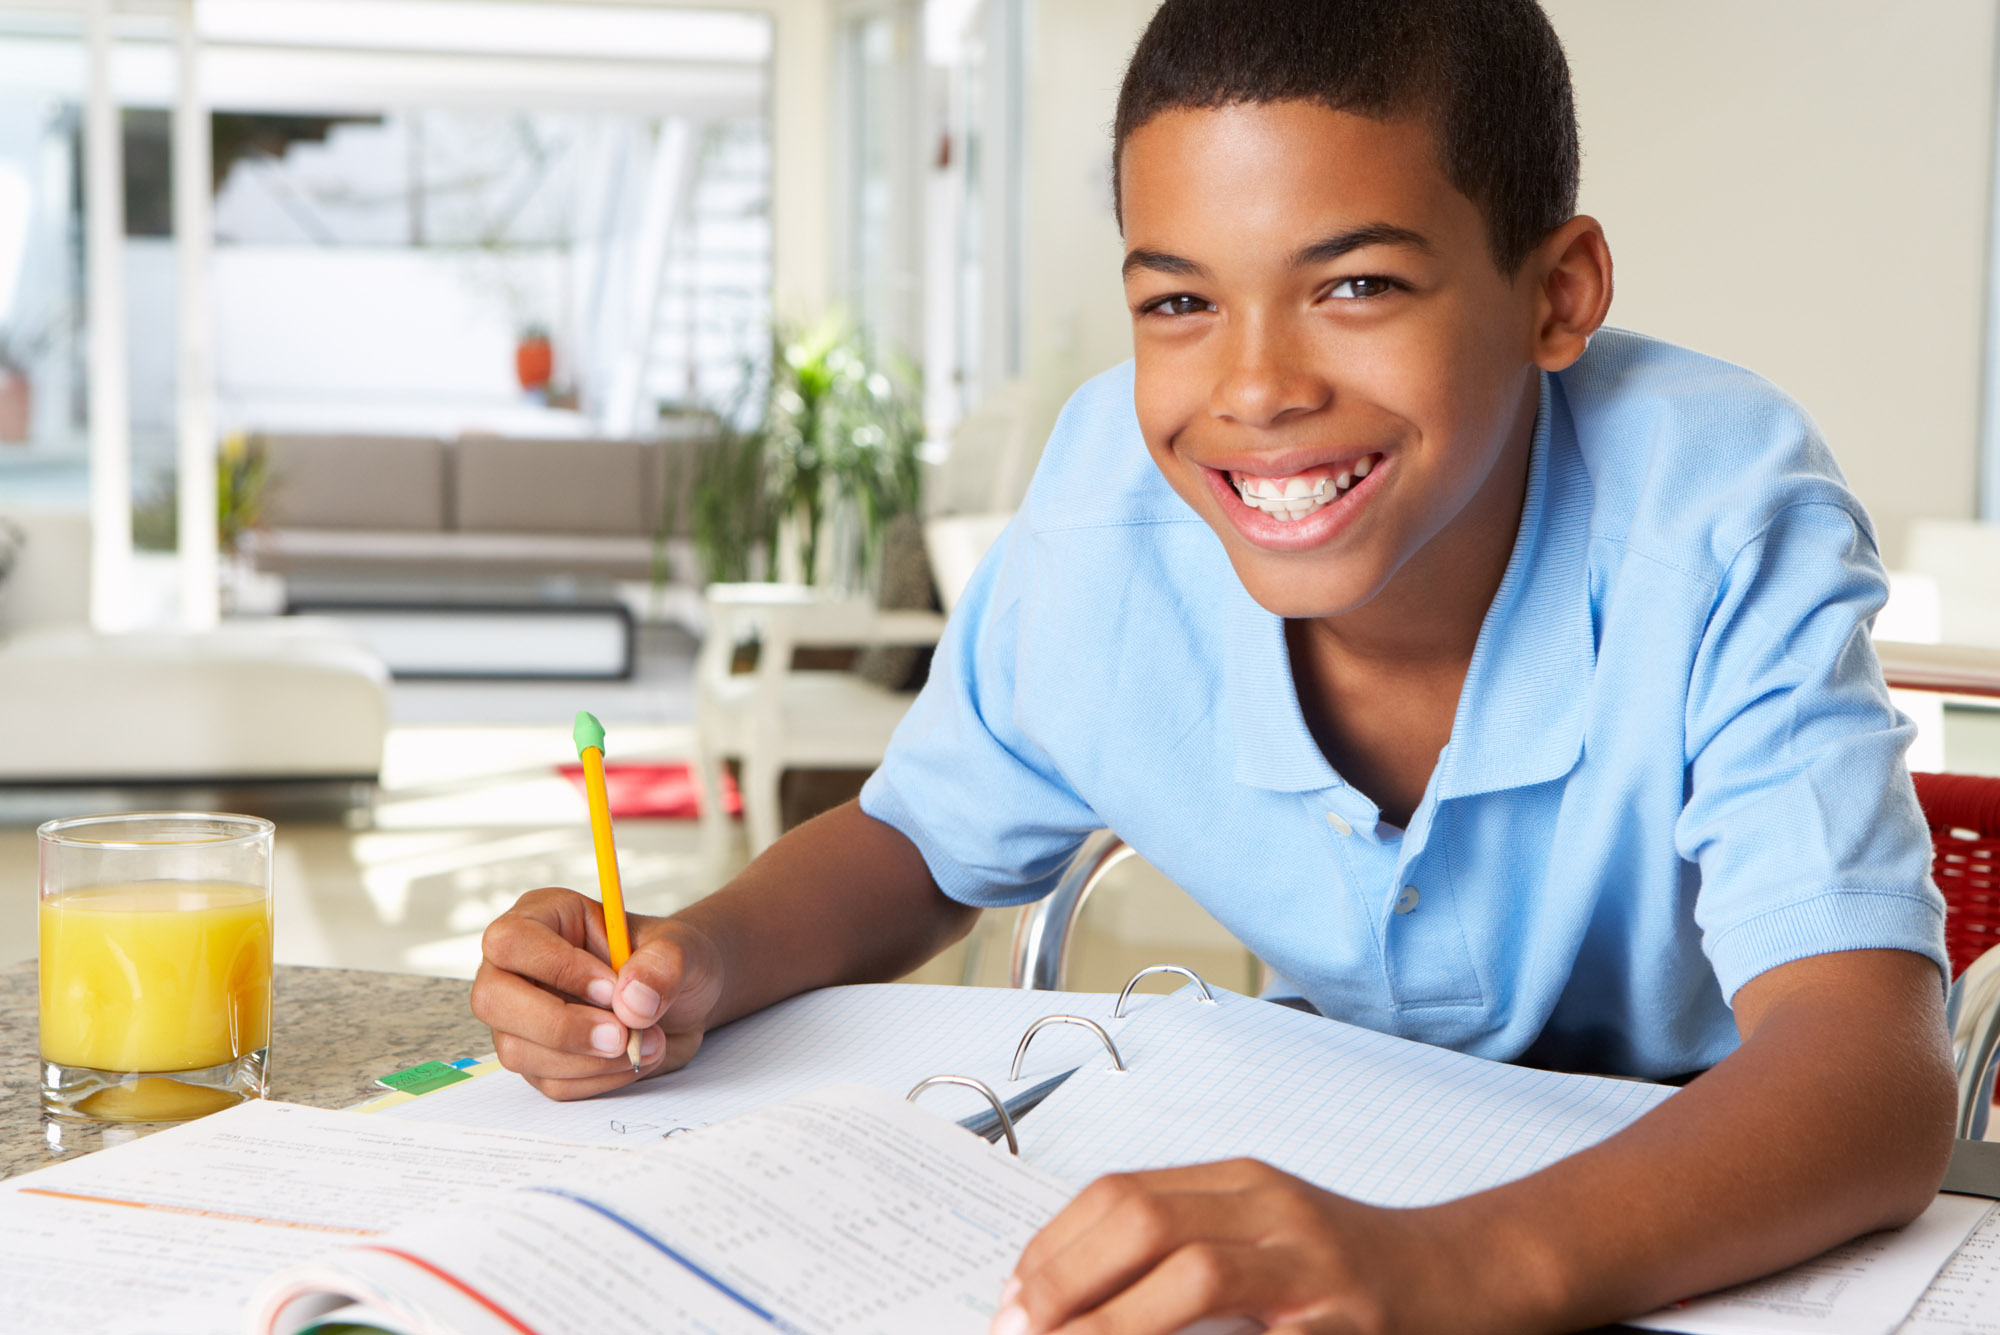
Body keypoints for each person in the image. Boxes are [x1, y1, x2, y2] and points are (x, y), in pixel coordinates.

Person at [471, 1, 1958, 1329]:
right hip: (1338, 1134)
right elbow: (919, 839)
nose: (1255, 389)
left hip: (1698, 1184)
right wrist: (691, 964)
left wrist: (1449, 1268)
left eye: (1357, 286)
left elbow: (1874, 1079)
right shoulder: (1104, 510)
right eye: (1180, 302)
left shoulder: (1717, 507)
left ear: (1557, 295)